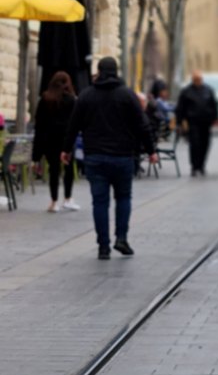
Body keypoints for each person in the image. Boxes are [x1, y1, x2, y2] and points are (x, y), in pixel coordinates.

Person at [61, 57, 157, 259]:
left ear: (99, 71)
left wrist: (66, 149)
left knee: (100, 202)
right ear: (116, 71)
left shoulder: (87, 96)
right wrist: (151, 150)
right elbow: (143, 125)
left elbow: (73, 125)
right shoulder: (127, 95)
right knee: (123, 198)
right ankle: (121, 238)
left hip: (95, 157)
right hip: (122, 157)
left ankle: (103, 246)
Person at [32, 71, 79, 213]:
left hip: (49, 141)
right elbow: (75, 123)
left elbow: (39, 125)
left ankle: (54, 202)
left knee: (53, 170)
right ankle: (68, 198)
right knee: (69, 169)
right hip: (66, 141)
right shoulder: (72, 100)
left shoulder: (45, 99)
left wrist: (36, 153)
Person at [175, 71, 218, 177]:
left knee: (205, 144)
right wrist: (179, 122)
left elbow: (214, 105)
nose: (198, 81)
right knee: (194, 144)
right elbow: (180, 107)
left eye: (199, 79)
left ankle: (202, 165)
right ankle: (194, 167)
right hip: (193, 122)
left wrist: (215, 118)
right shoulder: (186, 91)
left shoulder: (208, 90)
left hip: (206, 123)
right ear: (193, 80)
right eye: (196, 79)